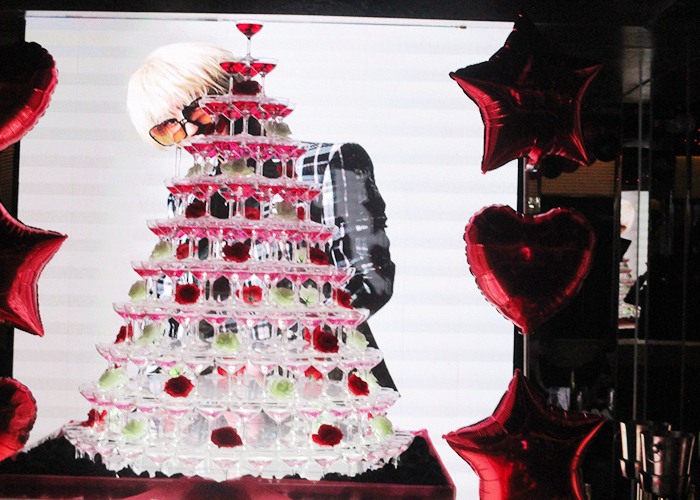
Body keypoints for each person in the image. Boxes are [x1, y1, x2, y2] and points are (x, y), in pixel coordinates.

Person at [127, 42, 397, 390]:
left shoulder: (327, 163)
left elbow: (370, 281)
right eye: (168, 128)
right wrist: (157, 383)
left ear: (235, 95)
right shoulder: (186, 199)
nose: (190, 131)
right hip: (216, 400)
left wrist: (273, 355)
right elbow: (174, 311)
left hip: (323, 391)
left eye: (199, 112)